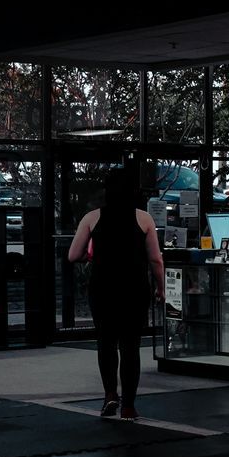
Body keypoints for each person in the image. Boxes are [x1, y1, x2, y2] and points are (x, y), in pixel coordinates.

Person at [65, 169, 163, 420]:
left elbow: (73, 256)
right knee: (130, 346)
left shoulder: (92, 218)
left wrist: (92, 255)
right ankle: (129, 406)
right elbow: (155, 259)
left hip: (103, 287)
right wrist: (162, 286)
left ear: (106, 190)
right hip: (134, 288)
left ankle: (110, 395)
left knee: (105, 343)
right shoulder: (144, 219)